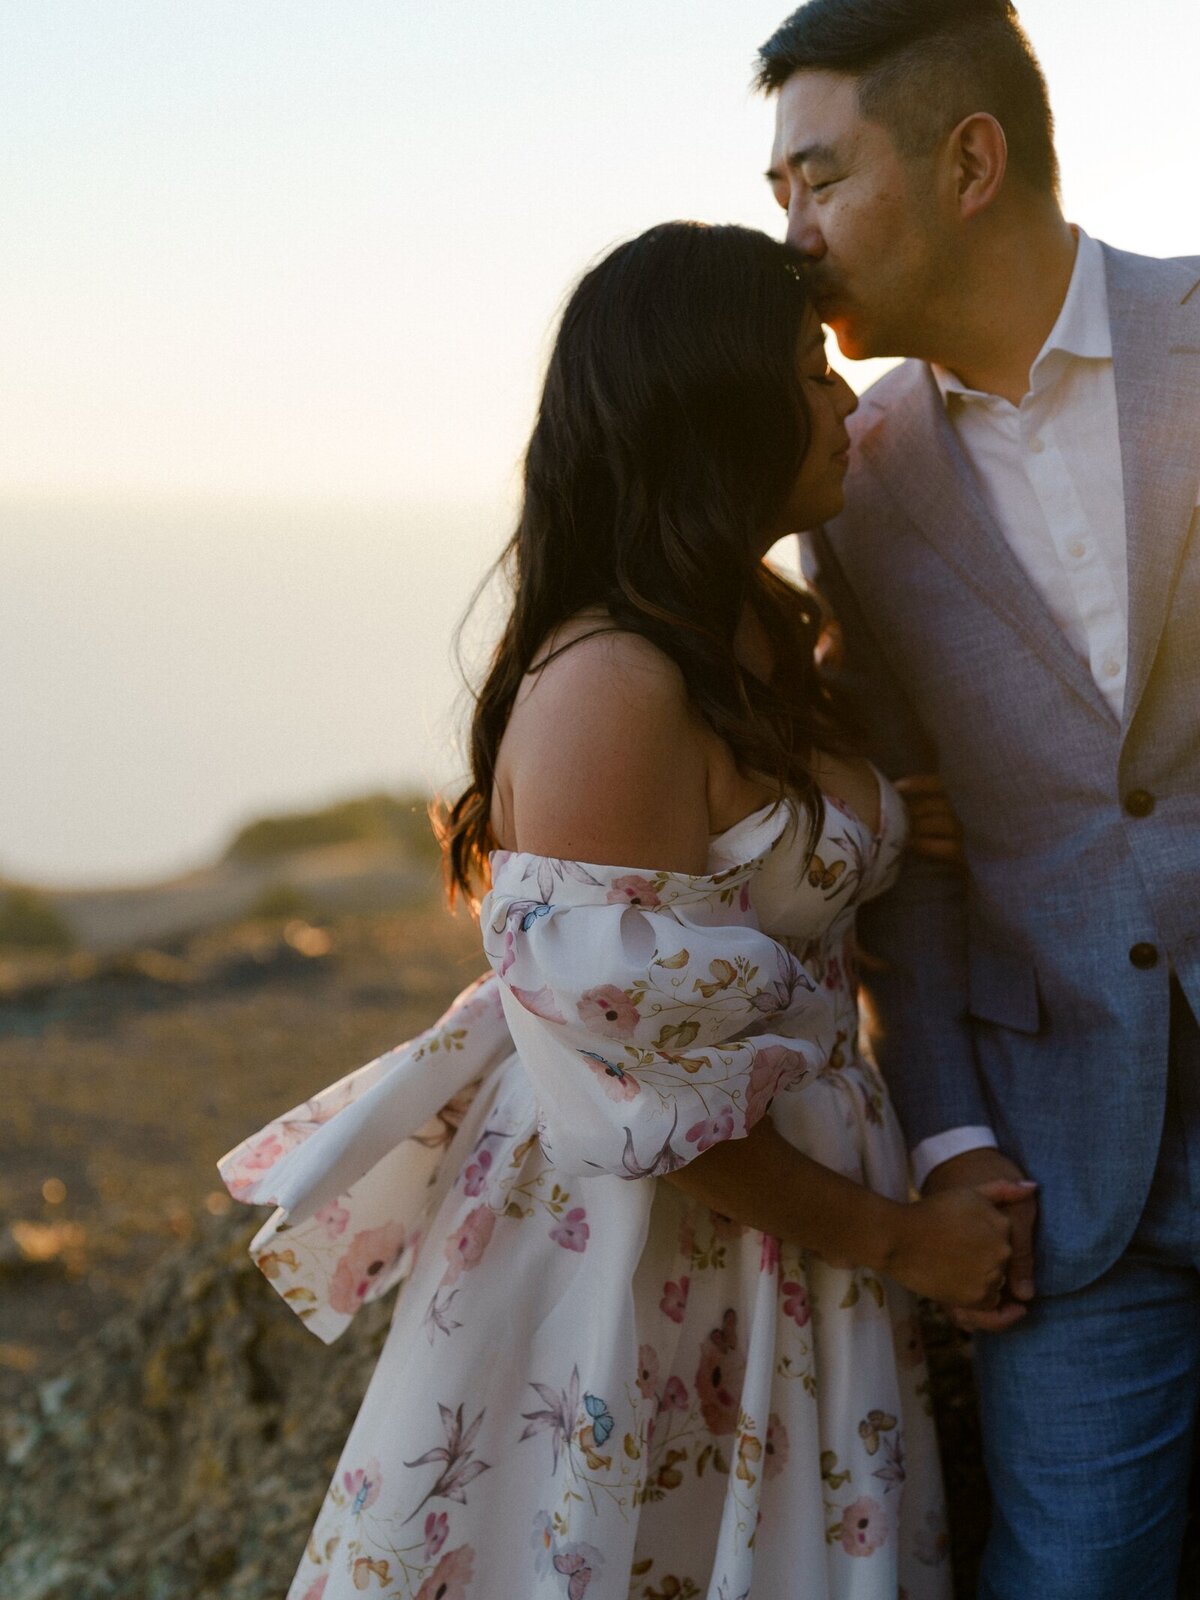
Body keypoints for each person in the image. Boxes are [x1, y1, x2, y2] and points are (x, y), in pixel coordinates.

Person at [220, 221, 1026, 1600]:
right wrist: (905, 1241)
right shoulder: (609, 688)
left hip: (791, 1242)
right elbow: (646, 1105)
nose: (844, 403)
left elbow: (754, 873)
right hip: (649, 1270)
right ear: (714, 414)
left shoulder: (747, 630)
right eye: (806, 374)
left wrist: (883, 820)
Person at [755, 2, 1200, 1596]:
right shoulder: (855, 485)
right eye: (777, 191)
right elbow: (910, 856)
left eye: (817, 179)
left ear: (969, 161)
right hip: (1069, 1178)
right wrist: (946, 1134)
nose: (793, 236)